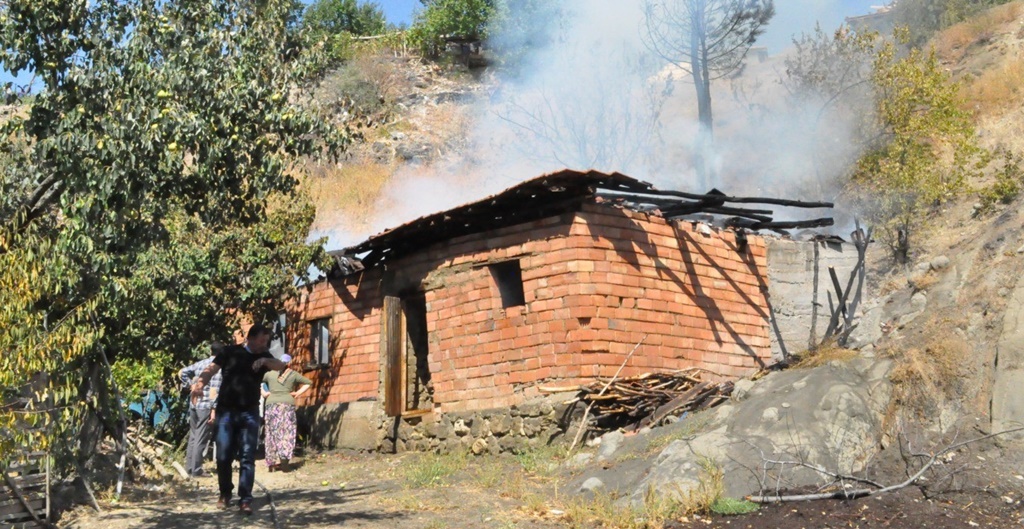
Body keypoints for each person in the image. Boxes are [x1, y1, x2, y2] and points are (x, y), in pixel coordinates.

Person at [190, 325, 287, 515]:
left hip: (249, 413)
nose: (263, 344)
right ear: (250, 338)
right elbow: (210, 369)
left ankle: (245, 499)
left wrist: (266, 359)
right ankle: (225, 493)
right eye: (261, 341)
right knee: (223, 456)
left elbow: (281, 366)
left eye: (266, 342)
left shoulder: (264, 356)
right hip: (226, 412)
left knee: (247, 456)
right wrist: (199, 384)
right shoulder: (230, 352)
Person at [178, 343, 224, 478]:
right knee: (201, 437)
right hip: (206, 406)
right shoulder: (218, 368)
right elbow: (216, 391)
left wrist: (190, 385)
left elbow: (183, 372)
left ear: (211, 350)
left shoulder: (200, 363)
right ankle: (197, 469)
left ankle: (189, 467)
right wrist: (214, 409)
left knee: (193, 435)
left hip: (194, 404)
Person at [260, 354, 311, 472]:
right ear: (289, 363)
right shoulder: (293, 374)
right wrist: (297, 393)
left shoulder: (269, 374)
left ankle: (271, 464)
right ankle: (284, 462)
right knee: (287, 432)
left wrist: (264, 392)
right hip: (287, 405)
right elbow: (308, 382)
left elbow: (259, 382)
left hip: (271, 405)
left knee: (271, 433)